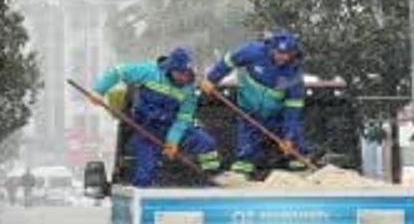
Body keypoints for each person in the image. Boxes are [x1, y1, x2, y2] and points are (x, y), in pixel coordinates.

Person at [91, 46, 220, 187]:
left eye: (187, 73)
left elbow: (183, 118)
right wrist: (99, 90)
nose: (184, 77)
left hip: (171, 127)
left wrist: (172, 141)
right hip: (146, 131)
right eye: (180, 73)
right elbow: (118, 72)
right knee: (144, 174)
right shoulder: (149, 71)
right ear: (171, 69)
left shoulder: (189, 90)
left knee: (206, 142)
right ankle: (143, 193)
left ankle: (213, 180)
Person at [204, 30, 307, 175]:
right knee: (247, 145)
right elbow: (229, 60)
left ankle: (295, 160)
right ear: (271, 47)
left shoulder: (294, 73)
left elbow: (293, 108)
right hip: (248, 110)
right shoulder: (253, 51)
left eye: (287, 53)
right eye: (279, 52)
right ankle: (246, 163)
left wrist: (288, 137)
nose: (282, 57)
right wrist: (211, 79)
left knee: (293, 137)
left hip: (276, 114)